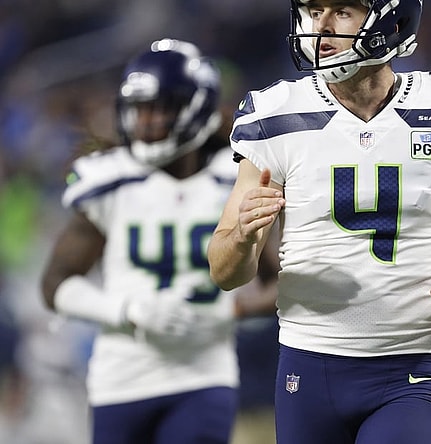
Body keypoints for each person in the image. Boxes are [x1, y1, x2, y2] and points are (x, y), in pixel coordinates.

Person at [206, 1, 431, 443]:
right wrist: (245, 238)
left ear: (391, 19)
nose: (321, 25)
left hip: (407, 368)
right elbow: (224, 271)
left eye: (342, 10)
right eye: (313, 9)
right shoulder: (275, 116)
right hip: (309, 362)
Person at [39, 39, 265, 444]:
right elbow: (55, 286)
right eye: (140, 109)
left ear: (198, 109)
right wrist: (128, 309)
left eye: (161, 108)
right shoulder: (109, 181)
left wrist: (230, 310)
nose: (147, 121)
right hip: (121, 377)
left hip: (205, 372)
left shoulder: (236, 179)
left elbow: (280, 281)